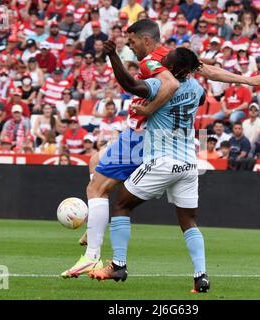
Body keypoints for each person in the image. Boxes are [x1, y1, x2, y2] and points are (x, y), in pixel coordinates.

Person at [61, 19, 260, 279]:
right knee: (95, 162)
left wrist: (148, 109)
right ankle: (96, 223)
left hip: (141, 135)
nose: (131, 46)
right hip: (148, 139)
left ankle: (92, 255)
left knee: (99, 190)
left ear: (145, 40)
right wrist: (246, 79)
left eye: (133, 41)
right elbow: (209, 71)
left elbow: (170, 86)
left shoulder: (152, 62)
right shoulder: (172, 58)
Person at [88, 47, 210, 293]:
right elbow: (200, 98)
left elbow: (131, 85)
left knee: (122, 205)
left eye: (168, 61)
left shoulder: (159, 85)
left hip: (162, 161)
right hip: (188, 164)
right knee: (188, 220)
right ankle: (201, 277)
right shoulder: (198, 90)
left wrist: (113, 57)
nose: (162, 62)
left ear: (175, 69)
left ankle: (118, 265)